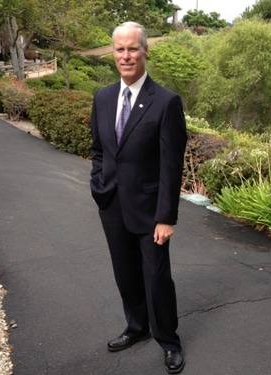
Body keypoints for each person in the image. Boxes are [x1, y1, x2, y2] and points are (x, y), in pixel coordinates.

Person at [89, 21, 187, 374]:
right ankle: (136, 327)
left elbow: (170, 166)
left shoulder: (166, 102)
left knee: (157, 276)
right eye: (120, 49)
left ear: (146, 51)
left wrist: (166, 217)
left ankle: (168, 339)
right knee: (125, 273)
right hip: (112, 204)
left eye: (133, 48)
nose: (126, 55)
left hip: (150, 211)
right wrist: (98, 185)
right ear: (112, 53)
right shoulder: (102, 98)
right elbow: (99, 150)